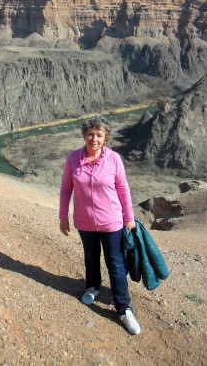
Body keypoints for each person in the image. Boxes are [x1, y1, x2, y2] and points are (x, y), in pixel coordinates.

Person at [59, 115, 141, 335]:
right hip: (84, 222)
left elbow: (123, 189)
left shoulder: (113, 159)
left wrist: (129, 217)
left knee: (115, 263)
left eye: (99, 135)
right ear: (84, 135)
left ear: (106, 138)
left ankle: (124, 309)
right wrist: (63, 216)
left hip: (111, 221)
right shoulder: (73, 159)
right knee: (90, 257)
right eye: (90, 134)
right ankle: (93, 287)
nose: (94, 138)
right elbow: (67, 188)